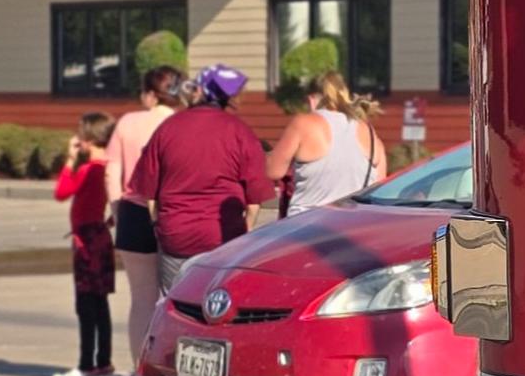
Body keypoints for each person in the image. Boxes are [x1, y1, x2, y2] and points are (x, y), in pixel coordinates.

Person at [127, 64, 274, 296]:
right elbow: (254, 199)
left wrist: (158, 224)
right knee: (219, 304)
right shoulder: (240, 131)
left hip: (176, 236)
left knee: (173, 306)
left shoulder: (168, 128)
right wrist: (244, 230)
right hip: (224, 238)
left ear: (199, 91)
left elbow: (149, 192)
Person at [103, 65, 184, 376]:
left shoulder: (128, 122)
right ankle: (175, 372)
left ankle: (141, 372)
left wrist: (118, 209)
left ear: (150, 94)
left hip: (134, 209)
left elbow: (111, 170)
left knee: (141, 299)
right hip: (177, 211)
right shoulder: (181, 122)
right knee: (178, 297)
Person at [266, 71, 387, 217]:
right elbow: (379, 186)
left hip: (306, 224)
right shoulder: (370, 133)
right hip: (355, 225)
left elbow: (273, 171)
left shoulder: (303, 124)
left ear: (312, 99)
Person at [53, 112, 117, 376]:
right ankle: (103, 361)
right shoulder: (109, 168)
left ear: (88, 140)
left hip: (86, 239)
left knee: (85, 304)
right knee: (100, 303)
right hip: (101, 237)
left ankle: (85, 365)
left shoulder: (89, 169)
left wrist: (70, 158)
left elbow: (61, 191)